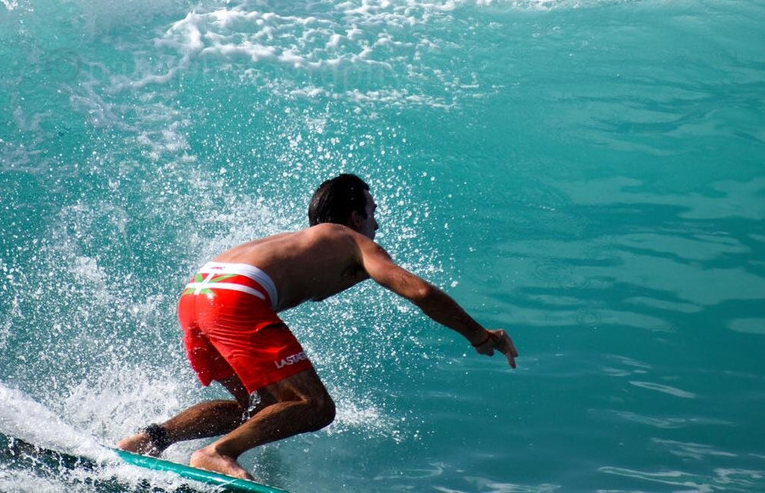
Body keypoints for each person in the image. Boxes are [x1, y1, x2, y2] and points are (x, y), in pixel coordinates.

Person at [117, 173, 518, 481]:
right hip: (237, 297)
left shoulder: (298, 241)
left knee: (256, 409)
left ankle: (148, 439)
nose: (377, 225)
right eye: (373, 212)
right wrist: (479, 334)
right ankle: (217, 454)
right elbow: (419, 291)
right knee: (316, 407)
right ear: (356, 215)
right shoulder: (349, 240)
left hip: (196, 296)